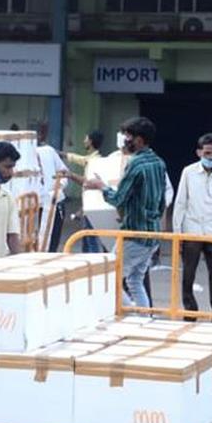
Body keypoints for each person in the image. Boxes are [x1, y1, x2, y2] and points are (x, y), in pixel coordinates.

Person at [84, 117, 167, 310]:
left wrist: (100, 186)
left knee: (109, 278)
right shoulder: (159, 162)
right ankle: (144, 318)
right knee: (134, 280)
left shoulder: (136, 164)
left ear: (139, 140)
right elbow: (161, 200)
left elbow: (118, 198)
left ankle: (129, 316)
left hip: (134, 234)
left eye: (128, 136)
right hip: (152, 233)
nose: (125, 140)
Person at [173, 133, 212, 318]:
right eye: (207, 153)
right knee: (188, 274)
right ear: (199, 152)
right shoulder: (188, 172)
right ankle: (190, 311)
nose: (211, 157)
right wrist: (177, 233)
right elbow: (180, 203)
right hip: (192, 230)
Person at [60, 130, 105, 253]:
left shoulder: (95, 161)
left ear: (90, 141)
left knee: (91, 239)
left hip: (92, 206)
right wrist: (62, 154)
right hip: (89, 205)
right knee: (87, 239)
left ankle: (95, 266)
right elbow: (80, 159)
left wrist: (70, 175)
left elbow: (87, 182)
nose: (84, 141)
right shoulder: (92, 158)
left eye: (86, 138)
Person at [34, 123, 70, 251]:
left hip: (55, 202)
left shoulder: (48, 151)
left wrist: (59, 186)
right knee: (34, 243)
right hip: (34, 207)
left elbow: (64, 172)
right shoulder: (23, 156)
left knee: (52, 242)